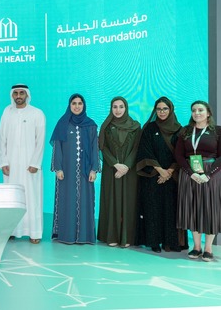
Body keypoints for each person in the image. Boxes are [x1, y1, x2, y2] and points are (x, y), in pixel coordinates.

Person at [175, 101, 221, 262]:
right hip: (190, 175)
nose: (197, 113)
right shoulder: (185, 131)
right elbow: (179, 156)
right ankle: (197, 247)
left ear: (208, 113)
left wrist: (208, 175)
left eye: (200, 110)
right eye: (194, 110)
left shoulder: (218, 131)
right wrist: (191, 173)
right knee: (192, 209)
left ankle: (208, 248)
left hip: (212, 174)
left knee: (211, 209)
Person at [135, 96, 187, 253]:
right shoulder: (150, 128)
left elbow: (182, 153)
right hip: (153, 177)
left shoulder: (180, 130)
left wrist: (170, 171)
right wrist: (160, 170)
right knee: (153, 209)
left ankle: (170, 242)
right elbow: (145, 151)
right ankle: (154, 242)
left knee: (171, 210)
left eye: (165, 108)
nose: (162, 112)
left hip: (173, 177)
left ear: (171, 110)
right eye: (159, 109)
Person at [0, 84, 46, 243]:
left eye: (21, 93)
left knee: (32, 197)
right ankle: (11, 230)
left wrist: (35, 163)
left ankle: (34, 232)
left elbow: (40, 140)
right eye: (16, 93)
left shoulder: (37, 113)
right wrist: (3, 161)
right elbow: (1, 138)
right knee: (11, 197)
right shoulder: (7, 112)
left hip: (30, 166)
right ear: (12, 95)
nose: (18, 96)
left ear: (27, 95)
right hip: (11, 165)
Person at [50, 94, 100, 244]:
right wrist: (58, 168)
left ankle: (84, 236)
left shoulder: (91, 125)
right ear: (69, 105)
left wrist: (94, 169)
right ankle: (66, 235)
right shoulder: (62, 124)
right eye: (74, 103)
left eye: (79, 103)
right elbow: (57, 147)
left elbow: (95, 148)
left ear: (84, 105)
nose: (77, 106)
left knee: (85, 201)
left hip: (86, 172)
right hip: (66, 171)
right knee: (67, 200)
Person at [97, 96, 141, 247]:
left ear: (126, 108)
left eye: (121, 106)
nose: (118, 110)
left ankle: (127, 237)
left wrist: (126, 166)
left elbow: (137, 148)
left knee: (128, 202)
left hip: (130, 171)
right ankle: (112, 236)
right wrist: (115, 164)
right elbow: (103, 147)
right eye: (114, 107)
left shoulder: (135, 126)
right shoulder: (106, 126)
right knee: (111, 200)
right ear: (111, 108)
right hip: (111, 170)